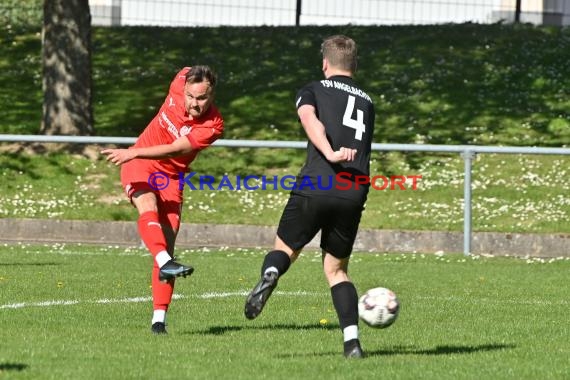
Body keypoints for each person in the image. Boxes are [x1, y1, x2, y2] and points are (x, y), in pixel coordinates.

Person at [243, 35, 375, 358]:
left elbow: (308, 118)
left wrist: (329, 152)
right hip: (353, 189)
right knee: (336, 270)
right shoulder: (368, 102)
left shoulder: (313, 88)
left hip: (318, 182)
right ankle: (352, 343)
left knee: (285, 249)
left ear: (325, 64)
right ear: (354, 66)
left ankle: (271, 274)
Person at [101, 65, 224, 334]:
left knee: (167, 246)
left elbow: (174, 149)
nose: (194, 103)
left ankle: (158, 321)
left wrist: (134, 153)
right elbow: (190, 69)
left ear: (212, 95)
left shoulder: (213, 125)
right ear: (184, 88)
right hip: (140, 165)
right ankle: (164, 261)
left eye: (202, 98)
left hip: (170, 177)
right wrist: (134, 155)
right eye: (191, 96)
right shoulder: (181, 78)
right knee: (148, 205)